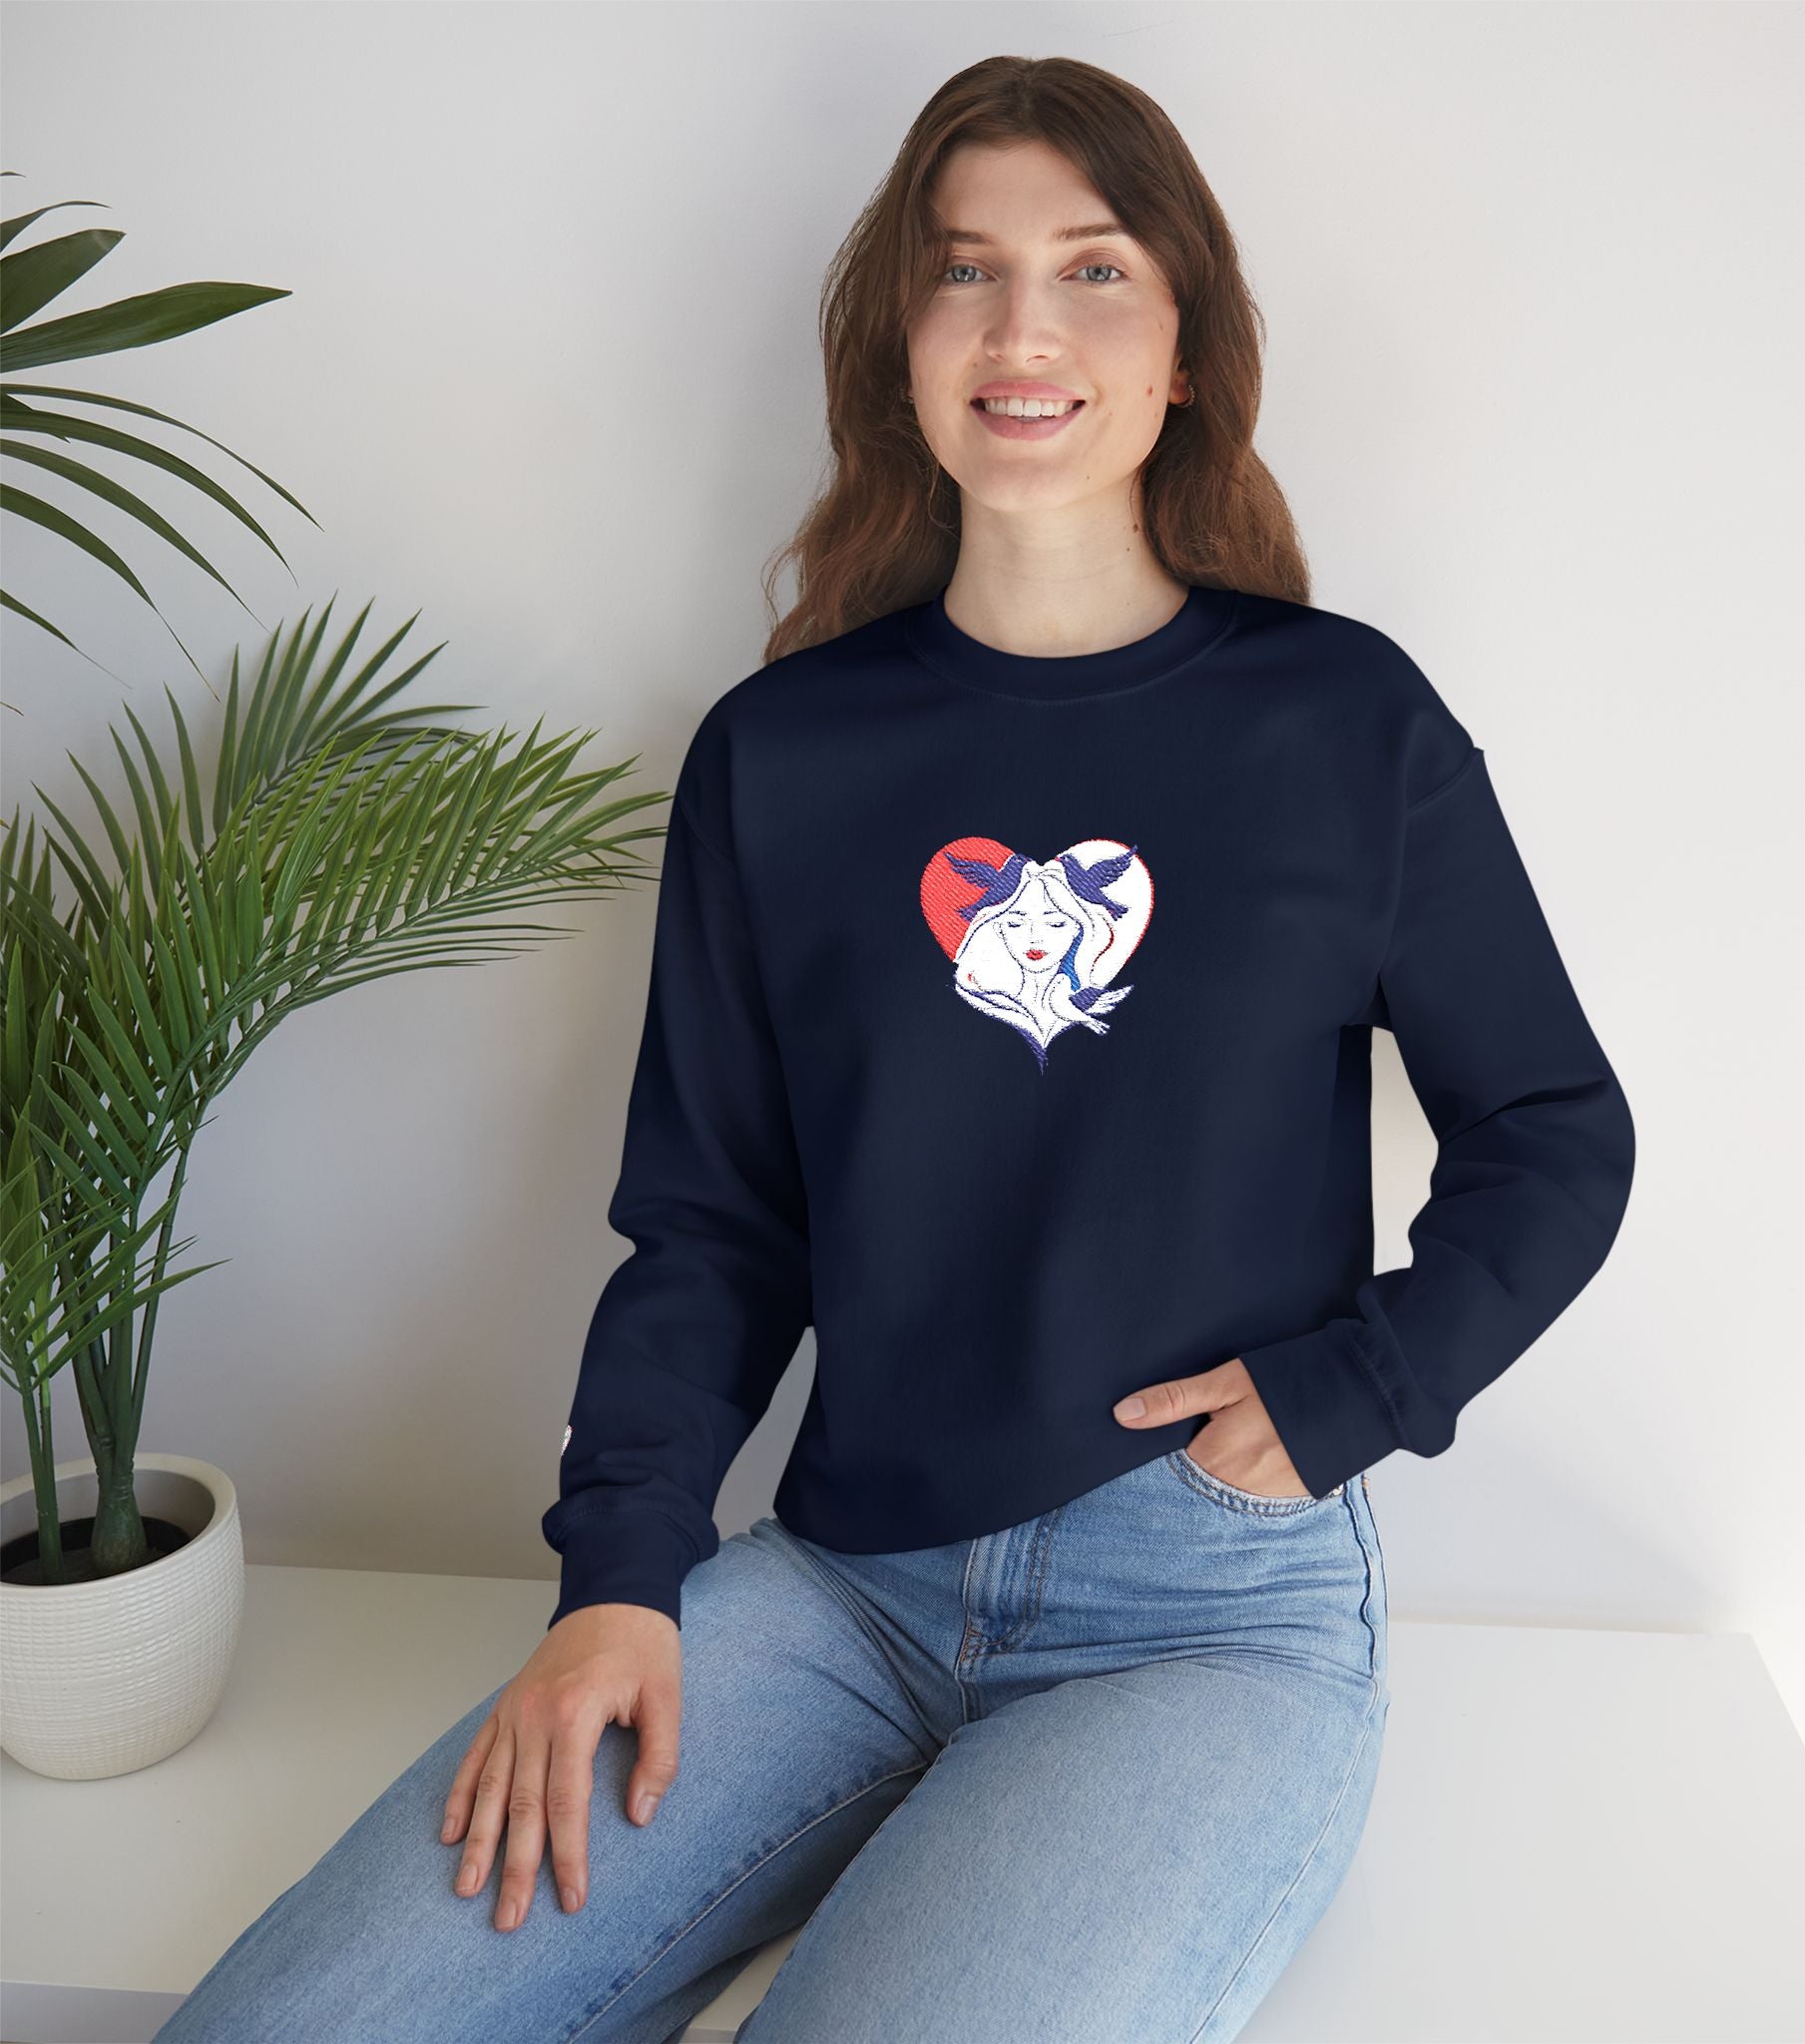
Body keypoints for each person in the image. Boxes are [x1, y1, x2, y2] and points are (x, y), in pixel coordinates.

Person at [156, 53, 1634, 2044]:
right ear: (900, 344)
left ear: (1183, 343)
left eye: (1092, 270)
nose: (1024, 328)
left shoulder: (1338, 726)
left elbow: (1553, 1129)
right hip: (838, 1583)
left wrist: (1362, 1378)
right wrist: (618, 1573)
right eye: (964, 273)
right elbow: (712, 1224)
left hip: (1202, 1616)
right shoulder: (786, 752)